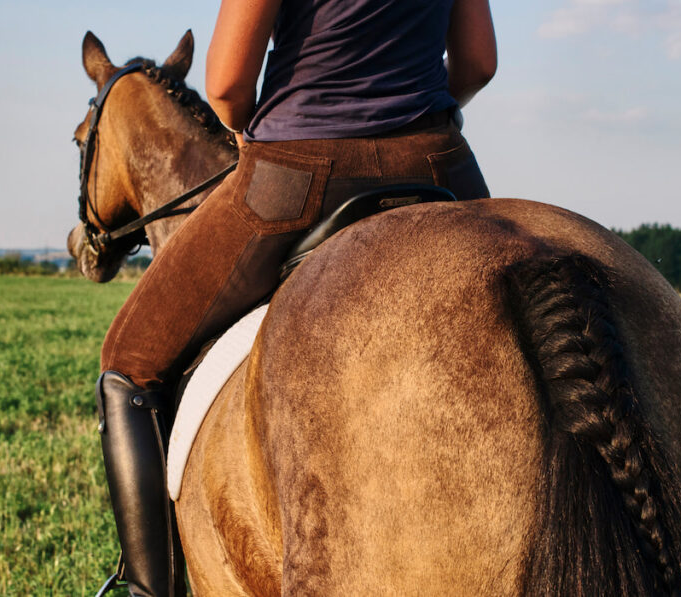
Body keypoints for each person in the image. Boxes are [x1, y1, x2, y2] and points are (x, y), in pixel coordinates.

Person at [95, 0, 496, 595]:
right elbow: (477, 63)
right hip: (438, 163)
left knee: (127, 362)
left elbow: (228, 83)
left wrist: (255, 128)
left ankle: (148, 590)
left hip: (298, 171)